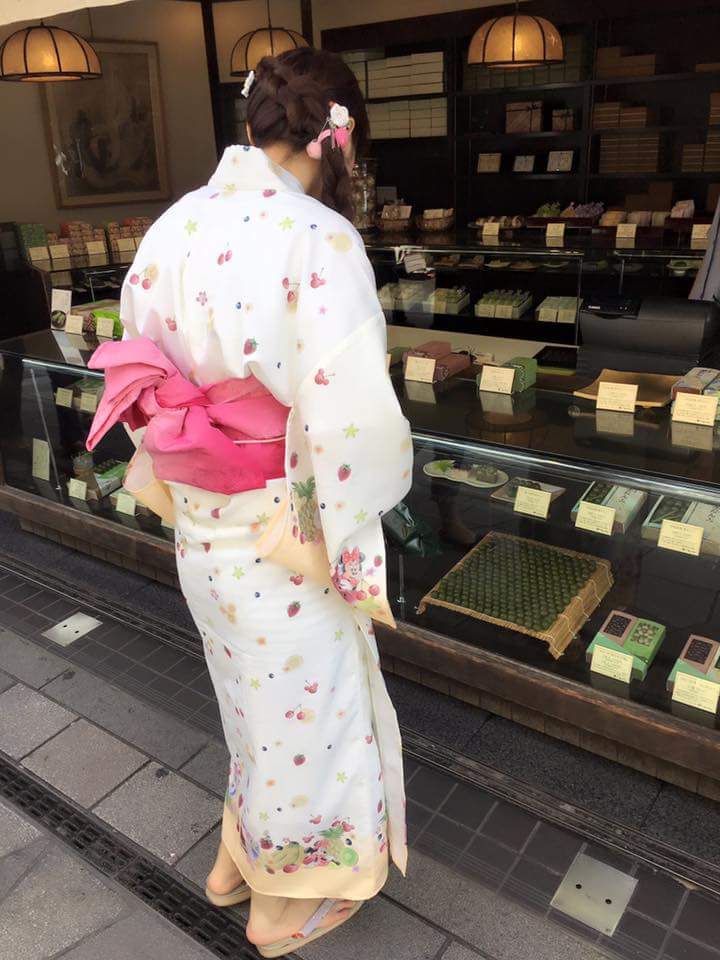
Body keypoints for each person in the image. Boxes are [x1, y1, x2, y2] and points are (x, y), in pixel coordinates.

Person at [85, 48, 413, 958]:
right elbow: (350, 420)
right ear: (336, 137)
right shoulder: (318, 238)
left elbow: (143, 375)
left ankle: (236, 858)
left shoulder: (174, 226)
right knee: (312, 716)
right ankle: (280, 905)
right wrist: (353, 535)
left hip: (204, 525)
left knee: (251, 708)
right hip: (286, 528)